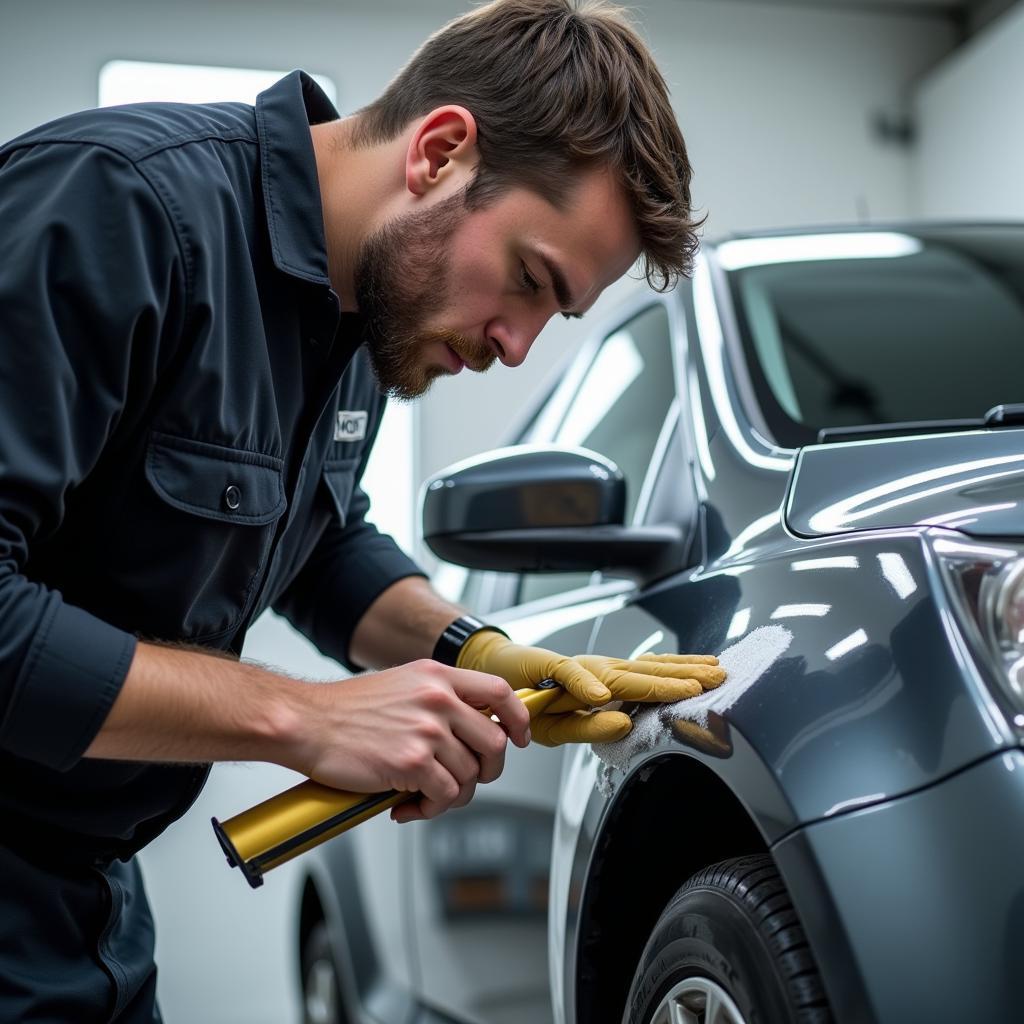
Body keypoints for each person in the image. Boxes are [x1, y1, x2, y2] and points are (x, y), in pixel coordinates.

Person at [0, 0, 724, 1019]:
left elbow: (313, 544)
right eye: (526, 280)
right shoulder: (117, 207)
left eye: (550, 315)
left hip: (88, 899)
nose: (516, 346)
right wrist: (301, 718)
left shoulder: (363, 325)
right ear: (439, 153)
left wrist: (472, 647)